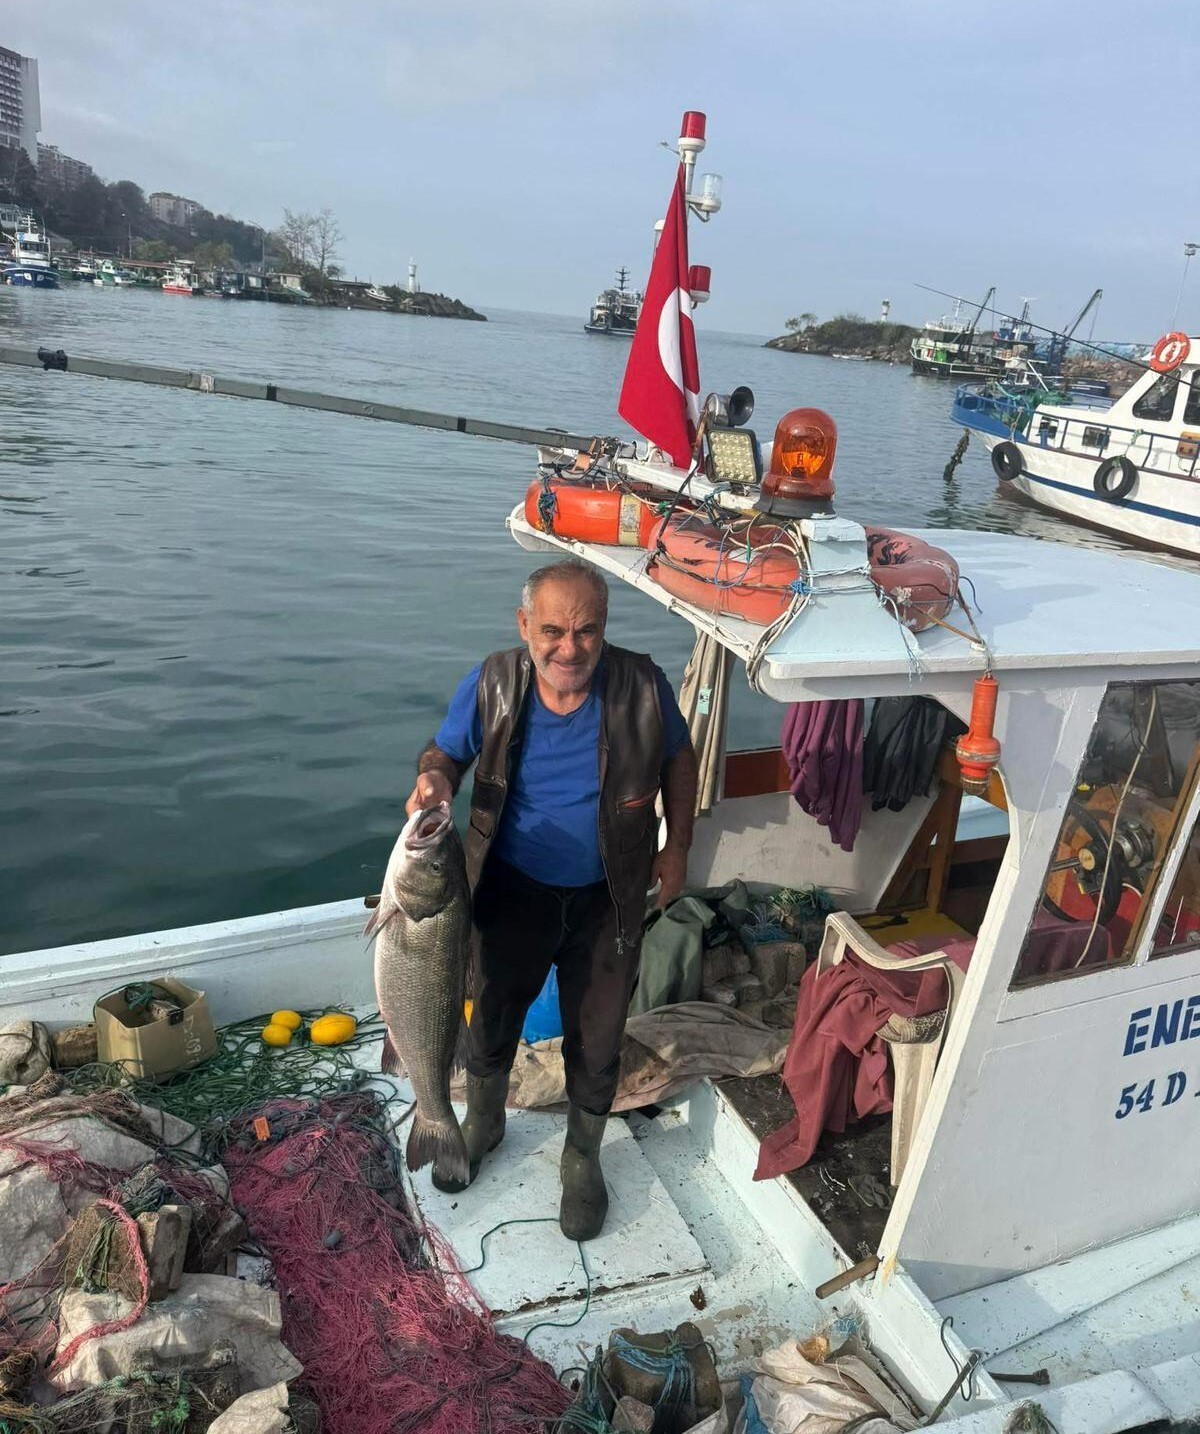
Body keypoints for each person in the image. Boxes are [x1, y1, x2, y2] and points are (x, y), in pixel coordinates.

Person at [406, 558, 697, 1240]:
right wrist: (433, 783)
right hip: (512, 888)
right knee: (493, 1015)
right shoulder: (493, 683)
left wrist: (677, 845)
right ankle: (482, 1121)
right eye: (554, 631)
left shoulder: (643, 687)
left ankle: (581, 1159)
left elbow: (678, 760)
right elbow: (445, 754)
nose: (570, 648)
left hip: (610, 895)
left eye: (587, 631)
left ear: (605, 630)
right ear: (523, 627)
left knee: (598, 1040)